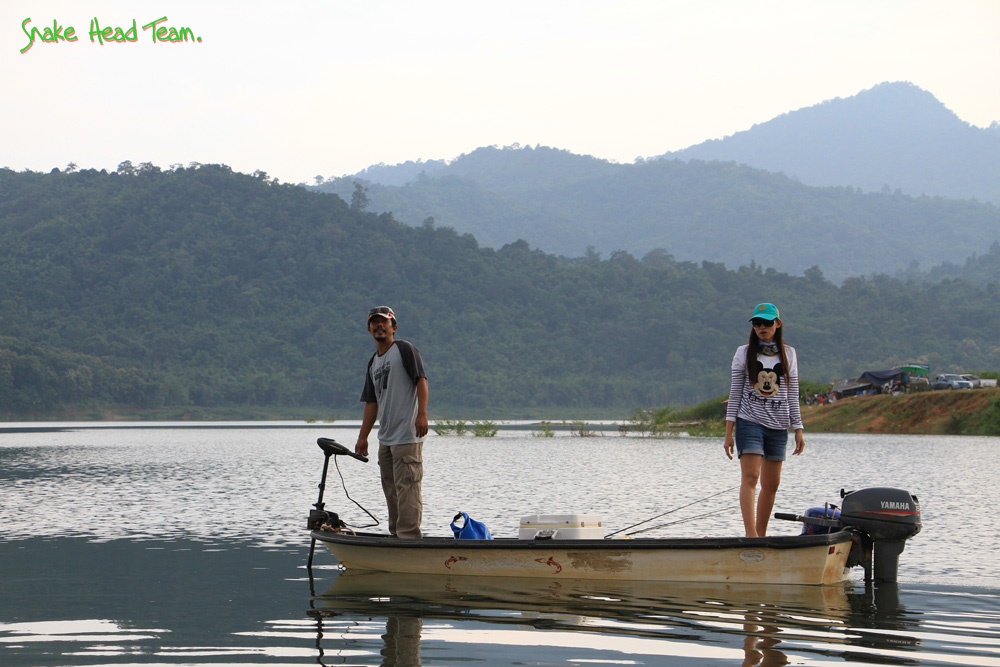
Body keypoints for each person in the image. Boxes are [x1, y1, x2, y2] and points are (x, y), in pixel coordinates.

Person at [723, 302, 805, 537]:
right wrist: (729, 432)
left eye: (767, 323)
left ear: (777, 324)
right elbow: (735, 391)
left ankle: (762, 533)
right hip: (749, 421)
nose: (762, 327)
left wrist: (798, 428)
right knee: (751, 477)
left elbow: (792, 392)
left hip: (779, 425)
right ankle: (751, 536)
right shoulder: (743, 352)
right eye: (757, 323)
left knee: (772, 484)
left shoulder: (789, 353)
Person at [355, 306, 429, 539]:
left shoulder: (404, 349)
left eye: (384, 322)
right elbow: (371, 402)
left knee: (408, 487)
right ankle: (397, 536)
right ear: (369, 329)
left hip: (407, 433)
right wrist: (363, 436)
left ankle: (409, 538)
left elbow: (421, 381)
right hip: (385, 438)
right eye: (374, 323)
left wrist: (422, 414)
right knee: (391, 490)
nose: (379, 326)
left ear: (393, 327)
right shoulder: (373, 363)